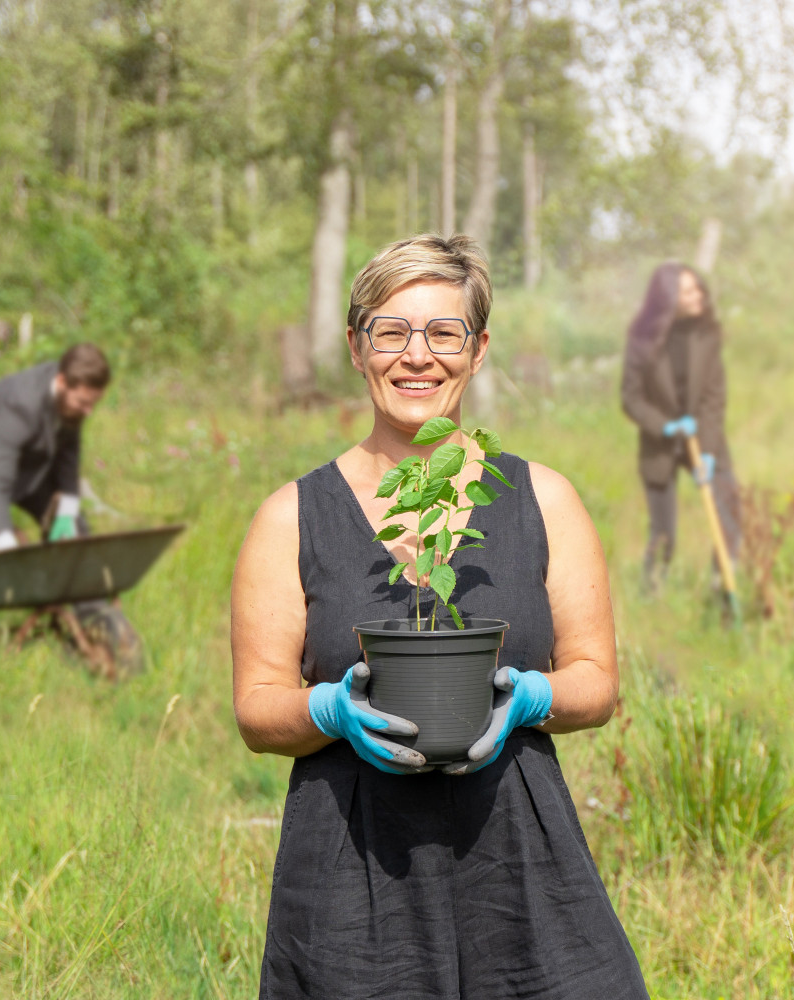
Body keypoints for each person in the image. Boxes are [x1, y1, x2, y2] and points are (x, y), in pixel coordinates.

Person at [231, 234, 649, 999]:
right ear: (358, 348)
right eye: (391, 331)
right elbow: (258, 710)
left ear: (478, 349)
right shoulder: (290, 517)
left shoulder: (542, 499)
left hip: (516, 858)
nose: (416, 356)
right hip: (352, 872)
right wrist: (331, 711)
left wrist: (530, 696)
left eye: (442, 332)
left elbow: (596, 681)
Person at [0, 343, 135, 661]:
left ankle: (95, 624)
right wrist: (5, 543)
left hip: (24, 468)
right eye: (83, 403)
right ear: (61, 382)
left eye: (93, 404)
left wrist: (66, 519)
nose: (88, 412)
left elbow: (68, 463)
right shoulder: (21, 405)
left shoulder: (70, 402)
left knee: (77, 534)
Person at [620, 262, 740, 588]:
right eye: (689, 291)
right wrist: (666, 427)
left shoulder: (707, 333)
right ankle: (652, 590)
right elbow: (631, 398)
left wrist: (710, 451)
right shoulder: (642, 338)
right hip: (661, 440)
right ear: (668, 297)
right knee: (664, 533)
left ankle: (724, 584)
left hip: (703, 432)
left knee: (729, 504)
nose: (699, 295)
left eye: (699, 288)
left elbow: (714, 397)